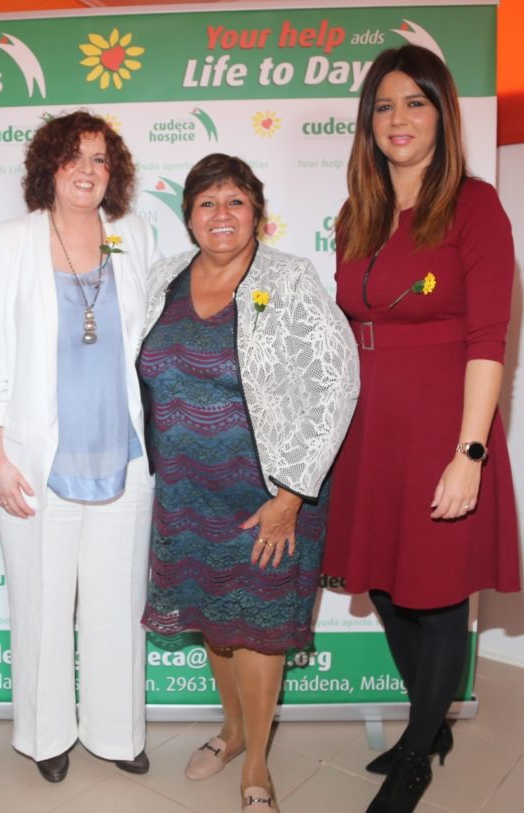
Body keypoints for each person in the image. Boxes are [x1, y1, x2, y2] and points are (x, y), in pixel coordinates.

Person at [322, 44, 519, 813]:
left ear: (443, 114)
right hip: (372, 429)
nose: (398, 119)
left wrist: (469, 452)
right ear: (367, 123)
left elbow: (488, 339)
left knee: (436, 598)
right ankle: (427, 725)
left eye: (415, 102)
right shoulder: (356, 213)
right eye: (383, 106)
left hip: (445, 421)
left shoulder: (475, 206)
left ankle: (416, 753)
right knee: (392, 588)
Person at [138, 153, 359, 812]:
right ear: (188, 217)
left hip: (267, 494)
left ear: (257, 211)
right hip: (186, 491)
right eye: (206, 202)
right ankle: (231, 732)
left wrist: (292, 493)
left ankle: (257, 763)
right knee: (216, 623)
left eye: (235, 200)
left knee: (260, 628)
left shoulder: (288, 278)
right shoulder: (163, 276)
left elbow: (336, 381)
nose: (221, 215)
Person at [0, 111, 157, 782]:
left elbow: (150, 340)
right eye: (74, 156)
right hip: (34, 462)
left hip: (122, 455)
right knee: (40, 606)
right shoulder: (10, 240)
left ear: (115, 173)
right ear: (48, 166)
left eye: (101, 159)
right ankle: (46, 735)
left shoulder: (132, 236)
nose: (88, 169)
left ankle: (116, 730)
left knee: (117, 604)